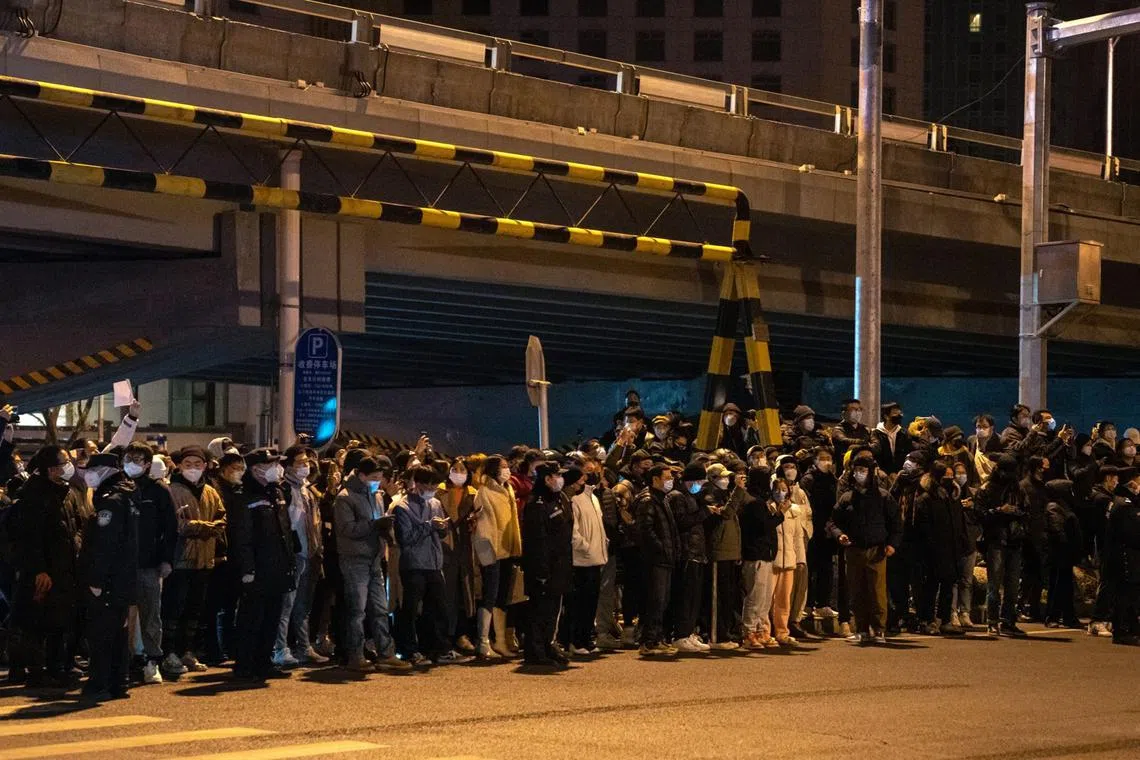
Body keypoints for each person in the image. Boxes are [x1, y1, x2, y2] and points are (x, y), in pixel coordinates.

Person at [10, 446, 83, 689]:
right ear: (51, 469)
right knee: (37, 623)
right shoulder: (34, 496)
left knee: (59, 622)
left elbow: (77, 526)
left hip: (65, 568)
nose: (68, 467)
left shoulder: (68, 492)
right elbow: (29, 538)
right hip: (44, 571)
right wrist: (39, 569)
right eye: (64, 464)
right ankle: (35, 671)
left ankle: (56, 667)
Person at [334, 455, 408, 672]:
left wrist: (385, 530)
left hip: (374, 558)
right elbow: (347, 530)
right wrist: (375, 525)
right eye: (374, 477)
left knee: (380, 608)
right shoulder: (345, 498)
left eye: (379, 477)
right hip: (354, 559)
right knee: (357, 610)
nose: (377, 481)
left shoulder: (375, 495)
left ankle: (386, 652)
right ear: (361, 475)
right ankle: (355, 655)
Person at [77, 452, 139, 702]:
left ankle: (100, 683)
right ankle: (118, 682)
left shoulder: (111, 501)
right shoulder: (128, 496)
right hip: (123, 579)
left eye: (92, 470)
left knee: (102, 633)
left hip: (109, 581)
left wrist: (97, 581)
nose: (88, 475)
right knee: (118, 633)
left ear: (104, 471)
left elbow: (105, 545)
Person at [230, 449, 296, 681]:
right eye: (271, 465)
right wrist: (247, 569)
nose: (276, 469)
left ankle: (264, 662)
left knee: (271, 617)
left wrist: (289, 561)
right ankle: (245, 664)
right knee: (251, 619)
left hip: (277, 566)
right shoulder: (243, 495)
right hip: (257, 568)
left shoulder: (275, 492)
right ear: (256, 469)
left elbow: (285, 530)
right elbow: (242, 537)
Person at [394, 466, 468, 666]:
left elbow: (441, 533)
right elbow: (405, 539)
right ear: (418, 484)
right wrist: (429, 526)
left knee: (438, 608)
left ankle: (437, 648)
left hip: (434, 563)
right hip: (413, 564)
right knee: (410, 608)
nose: (433, 489)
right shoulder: (402, 507)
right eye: (430, 485)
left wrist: (442, 528)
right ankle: (409, 650)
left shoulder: (435, 503)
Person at [163, 445, 226, 675]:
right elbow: (177, 526)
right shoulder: (171, 491)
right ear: (179, 466)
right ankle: (169, 653)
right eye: (188, 465)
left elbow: (222, 520)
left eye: (197, 464)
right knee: (174, 609)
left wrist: (199, 527)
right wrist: (206, 528)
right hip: (180, 561)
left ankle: (188, 652)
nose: (193, 469)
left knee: (195, 610)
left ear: (205, 466)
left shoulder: (210, 491)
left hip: (204, 560)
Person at [828, 452, 902, 645]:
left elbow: (895, 522)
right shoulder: (847, 498)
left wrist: (892, 544)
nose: (859, 474)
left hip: (877, 550)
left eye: (863, 470)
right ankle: (861, 629)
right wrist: (840, 535)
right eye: (856, 470)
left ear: (870, 473)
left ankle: (879, 629)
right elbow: (833, 522)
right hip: (853, 550)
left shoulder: (883, 497)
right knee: (857, 591)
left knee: (877, 592)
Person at [122, 441, 177, 684]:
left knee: (151, 616)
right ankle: (123, 662)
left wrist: (166, 559)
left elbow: (171, 528)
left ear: (147, 464)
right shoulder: (118, 488)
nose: (132, 464)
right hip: (120, 565)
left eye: (137, 460)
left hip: (149, 564)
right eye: (128, 458)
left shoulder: (158, 491)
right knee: (122, 617)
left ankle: (152, 661)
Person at [273, 446, 325, 667]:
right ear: (288, 466)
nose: (306, 466)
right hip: (292, 554)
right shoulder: (283, 489)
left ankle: (304, 647)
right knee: (286, 605)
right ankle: (279, 649)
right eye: (300, 462)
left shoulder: (306, 490)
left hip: (309, 552)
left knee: (303, 605)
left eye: (307, 462)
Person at [521, 462, 574, 668]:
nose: (559, 480)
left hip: (560, 565)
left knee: (554, 609)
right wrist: (541, 570)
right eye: (556, 476)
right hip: (544, 567)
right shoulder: (537, 504)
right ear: (546, 479)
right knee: (539, 609)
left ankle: (548, 644)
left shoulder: (559, 499)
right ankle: (535, 650)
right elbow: (537, 541)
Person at [471, 454, 523, 659]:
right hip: (492, 552)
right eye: (503, 467)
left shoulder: (508, 489)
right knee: (489, 596)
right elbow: (483, 527)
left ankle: (500, 640)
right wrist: (487, 554)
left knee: (503, 596)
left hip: (507, 549)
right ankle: (483, 641)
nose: (507, 469)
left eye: (507, 466)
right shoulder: (484, 492)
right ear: (493, 470)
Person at [912, 461, 969, 635]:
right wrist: (930, 549)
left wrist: (962, 543)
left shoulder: (952, 497)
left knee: (947, 586)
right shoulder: (926, 499)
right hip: (933, 552)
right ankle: (927, 620)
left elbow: (959, 523)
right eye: (947, 476)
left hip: (951, 550)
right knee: (930, 587)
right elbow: (923, 528)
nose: (951, 479)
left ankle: (944, 620)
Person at [977, 454, 1028, 637]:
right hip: (996, 540)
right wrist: (1000, 511)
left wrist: (1016, 512)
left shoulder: (1017, 489)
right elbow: (980, 514)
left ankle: (1008, 621)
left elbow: (1026, 511)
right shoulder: (987, 489)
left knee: (1013, 585)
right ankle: (992, 621)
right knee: (994, 584)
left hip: (1014, 540)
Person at [204, 451, 245, 666]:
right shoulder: (216, 490)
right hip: (219, 555)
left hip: (235, 555)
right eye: (234, 468)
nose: (239, 473)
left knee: (231, 606)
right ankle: (214, 649)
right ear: (222, 470)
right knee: (214, 606)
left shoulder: (239, 491)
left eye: (241, 468)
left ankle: (230, 646)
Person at [563, 461, 608, 656]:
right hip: (582, 560)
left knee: (591, 602)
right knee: (579, 603)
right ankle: (576, 640)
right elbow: (575, 531)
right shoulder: (574, 501)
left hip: (597, 558)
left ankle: (586, 638)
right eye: (583, 476)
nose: (586, 479)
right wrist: (586, 547)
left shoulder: (594, 499)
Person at [635, 464, 680, 657]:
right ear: (655, 479)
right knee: (655, 600)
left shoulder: (662, 499)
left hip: (665, 558)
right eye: (667, 477)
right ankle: (649, 641)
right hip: (656, 560)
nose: (671, 481)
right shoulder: (648, 500)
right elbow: (646, 530)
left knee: (662, 601)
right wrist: (660, 549)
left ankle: (657, 638)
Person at [665, 463, 710, 654]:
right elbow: (681, 522)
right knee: (685, 596)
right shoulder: (677, 496)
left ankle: (688, 631)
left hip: (696, 552)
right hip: (686, 553)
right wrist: (704, 512)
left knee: (694, 597)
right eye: (699, 481)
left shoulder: (692, 496)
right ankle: (680, 634)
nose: (701, 484)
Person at [739, 465, 784, 648]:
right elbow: (762, 527)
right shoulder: (753, 503)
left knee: (765, 598)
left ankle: (759, 629)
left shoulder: (759, 501)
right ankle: (749, 632)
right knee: (755, 597)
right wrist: (779, 515)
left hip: (765, 554)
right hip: (755, 554)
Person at [801, 449, 839, 621]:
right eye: (822, 459)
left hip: (827, 531)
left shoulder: (832, 479)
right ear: (814, 460)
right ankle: (808, 604)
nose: (826, 462)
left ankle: (823, 603)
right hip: (813, 530)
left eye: (829, 458)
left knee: (826, 568)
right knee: (810, 568)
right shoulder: (809, 480)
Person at [1105, 470, 1140, 645]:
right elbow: (1133, 533)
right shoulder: (1125, 505)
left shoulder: (1121, 501)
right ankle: (1122, 630)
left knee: (1130, 594)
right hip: (1125, 556)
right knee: (1125, 594)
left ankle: (1131, 627)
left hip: (1123, 555)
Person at [1043, 479, 1083, 628]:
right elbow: (1057, 530)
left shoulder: (1063, 506)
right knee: (1058, 586)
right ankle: (1052, 616)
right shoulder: (1055, 507)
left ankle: (1068, 617)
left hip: (1064, 555)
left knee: (1066, 587)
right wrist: (1067, 546)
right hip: (1060, 555)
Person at [952, 461, 981, 628]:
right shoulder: (950, 493)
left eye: (963, 473)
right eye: (957, 473)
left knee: (967, 580)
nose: (960, 476)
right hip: (955, 543)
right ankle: (952, 612)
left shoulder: (973, 494)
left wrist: (973, 506)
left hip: (970, 542)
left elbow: (981, 515)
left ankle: (965, 612)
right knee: (954, 580)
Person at [871, 401, 913, 476]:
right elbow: (874, 454)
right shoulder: (876, 433)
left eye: (900, 413)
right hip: (882, 474)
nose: (899, 416)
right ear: (886, 416)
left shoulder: (904, 433)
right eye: (895, 413)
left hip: (901, 474)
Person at [831, 399, 869, 464]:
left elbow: (875, 445)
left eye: (859, 409)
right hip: (846, 466)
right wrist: (864, 443)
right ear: (844, 413)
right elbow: (844, 440)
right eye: (853, 409)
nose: (857, 412)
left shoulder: (866, 429)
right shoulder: (838, 430)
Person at [967, 414, 1002, 485]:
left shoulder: (1000, 440)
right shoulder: (972, 440)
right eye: (978, 427)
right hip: (976, 482)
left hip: (994, 483)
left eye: (985, 426)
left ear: (991, 428)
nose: (981, 429)